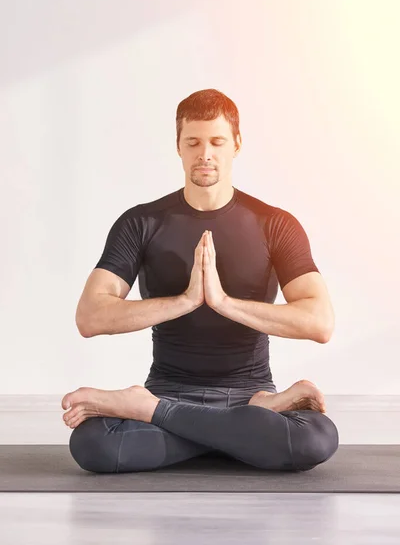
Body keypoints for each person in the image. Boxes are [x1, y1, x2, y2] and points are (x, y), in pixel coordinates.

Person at [62, 88, 339, 474]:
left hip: (247, 391)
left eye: (216, 141)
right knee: (91, 445)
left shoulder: (275, 224)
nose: (204, 153)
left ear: (236, 145)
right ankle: (241, 433)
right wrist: (186, 300)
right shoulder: (141, 223)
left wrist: (224, 302)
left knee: (317, 436)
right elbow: (89, 316)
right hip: (176, 388)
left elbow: (319, 322)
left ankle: (152, 411)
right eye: (193, 142)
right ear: (178, 146)